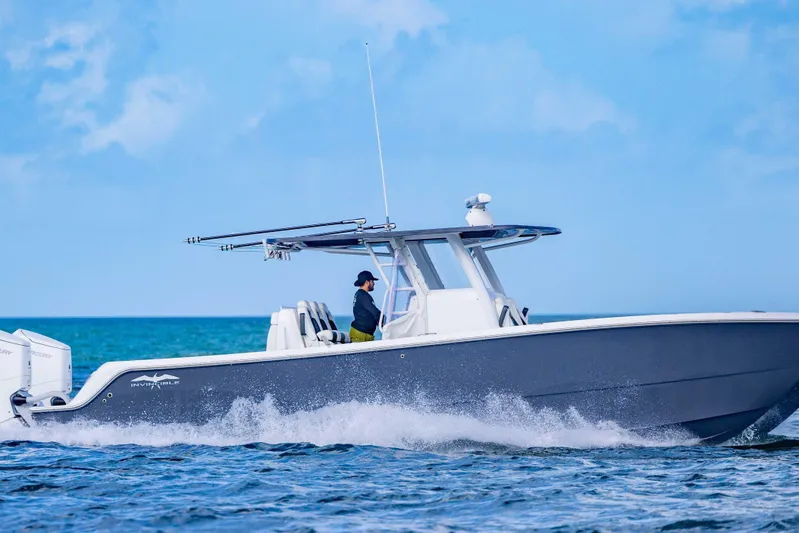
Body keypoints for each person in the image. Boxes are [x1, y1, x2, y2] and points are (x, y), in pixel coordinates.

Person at [350, 270, 381, 342]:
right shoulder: (363, 295)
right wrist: (385, 321)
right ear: (367, 282)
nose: (374, 283)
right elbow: (374, 312)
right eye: (372, 281)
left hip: (363, 333)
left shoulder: (360, 294)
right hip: (361, 334)